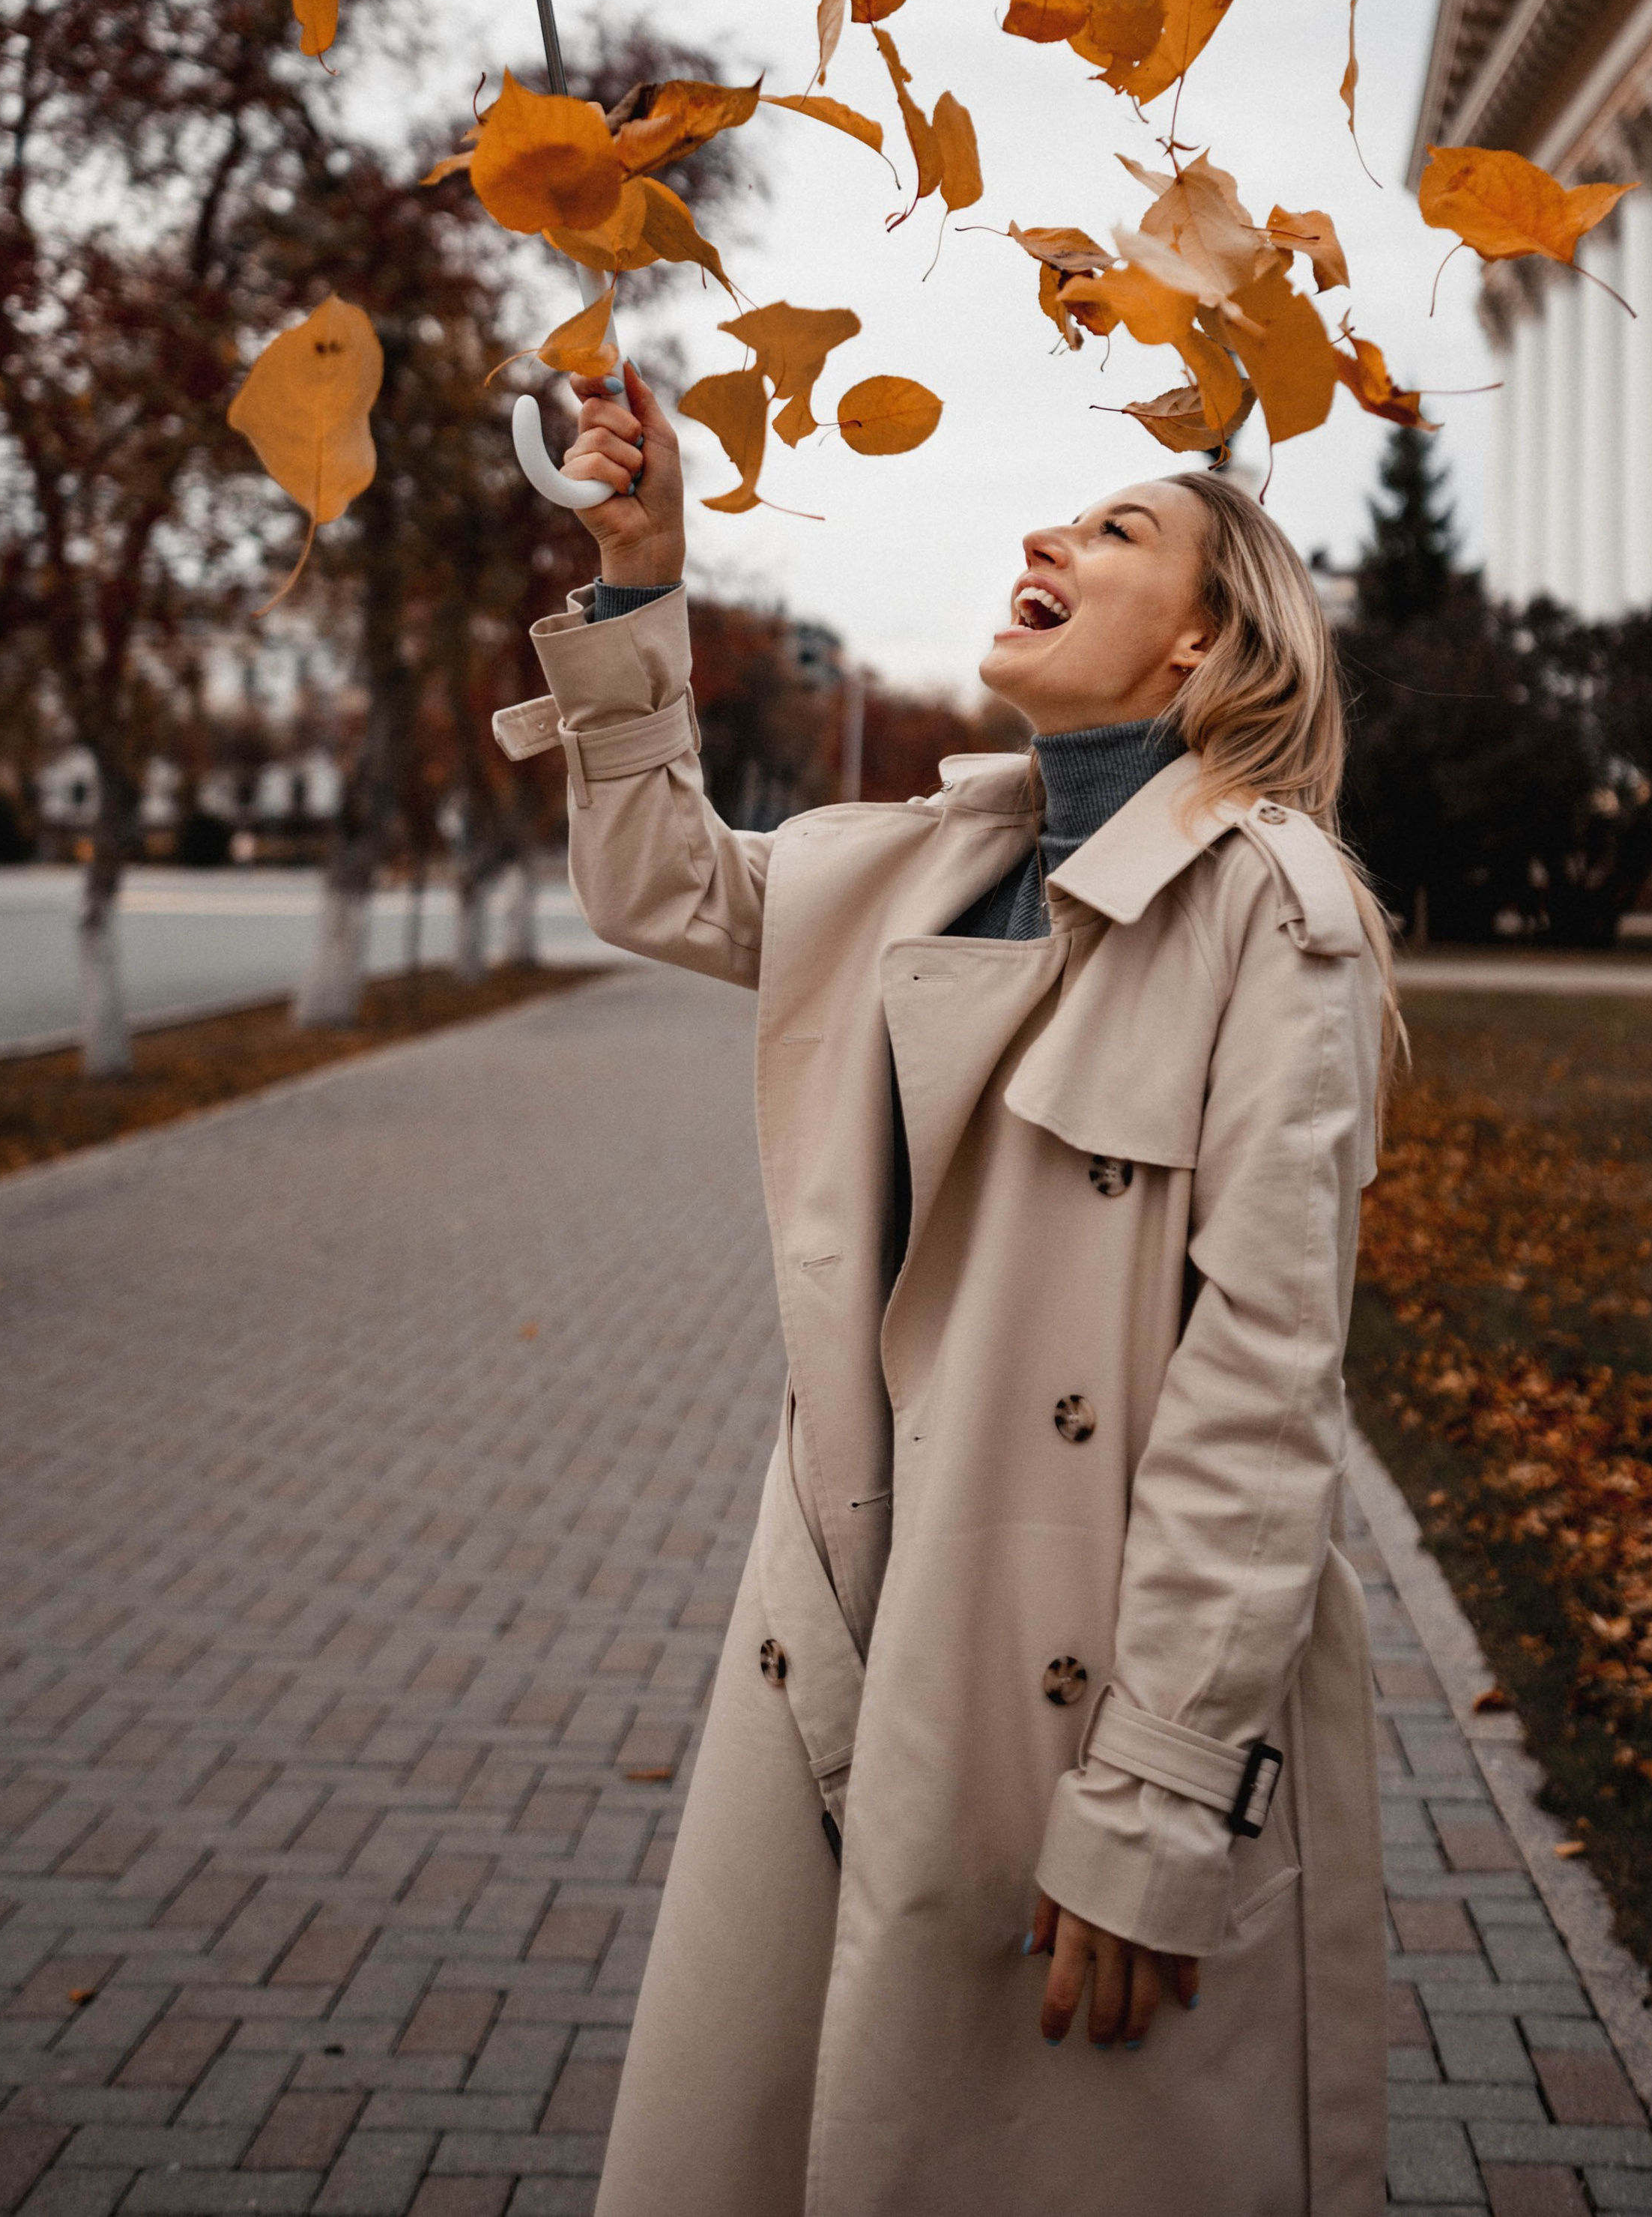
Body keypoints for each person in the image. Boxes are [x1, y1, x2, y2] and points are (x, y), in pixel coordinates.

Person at [491, 366, 1399, 2217]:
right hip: (843, 1606)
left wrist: (1153, 1797)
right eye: (1056, 515)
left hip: (1069, 1675)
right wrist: (638, 576)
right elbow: (659, 880)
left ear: (1208, 644)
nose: (1040, 537)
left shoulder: (1271, 910)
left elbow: (1262, 1384)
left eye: (1112, 529)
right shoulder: (937, 856)